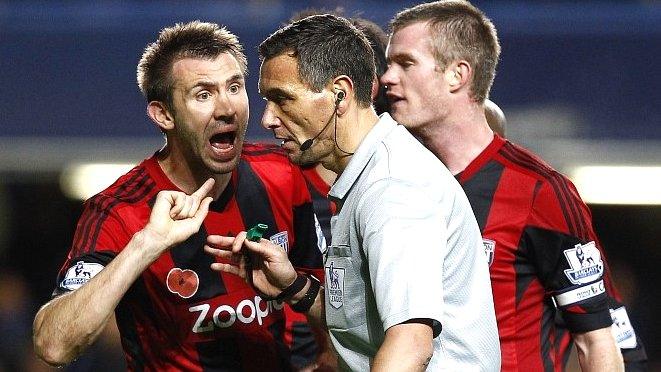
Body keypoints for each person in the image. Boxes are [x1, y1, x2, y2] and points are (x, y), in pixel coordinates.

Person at [205, 14, 500, 371]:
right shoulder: (369, 175)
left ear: (339, 95)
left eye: (283, 99)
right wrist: (295, 288)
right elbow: (365, 332)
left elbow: (410, 344)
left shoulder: (392, 187)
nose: (268, 119)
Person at [32, 21, 326, 371]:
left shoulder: (283, 173)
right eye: (203, 94)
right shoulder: (117, 210)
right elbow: (53, 345)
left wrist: (325, 360)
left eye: (234, 87)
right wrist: (145, 245)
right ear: (164, 114)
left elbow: (331, 299)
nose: (226, 108)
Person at [380, 1, 646, 370]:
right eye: (388, 64)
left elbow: (598, 339)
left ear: (458, 75)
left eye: (406, 63)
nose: (387, 78)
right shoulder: (390, 185)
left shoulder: (538, 191)